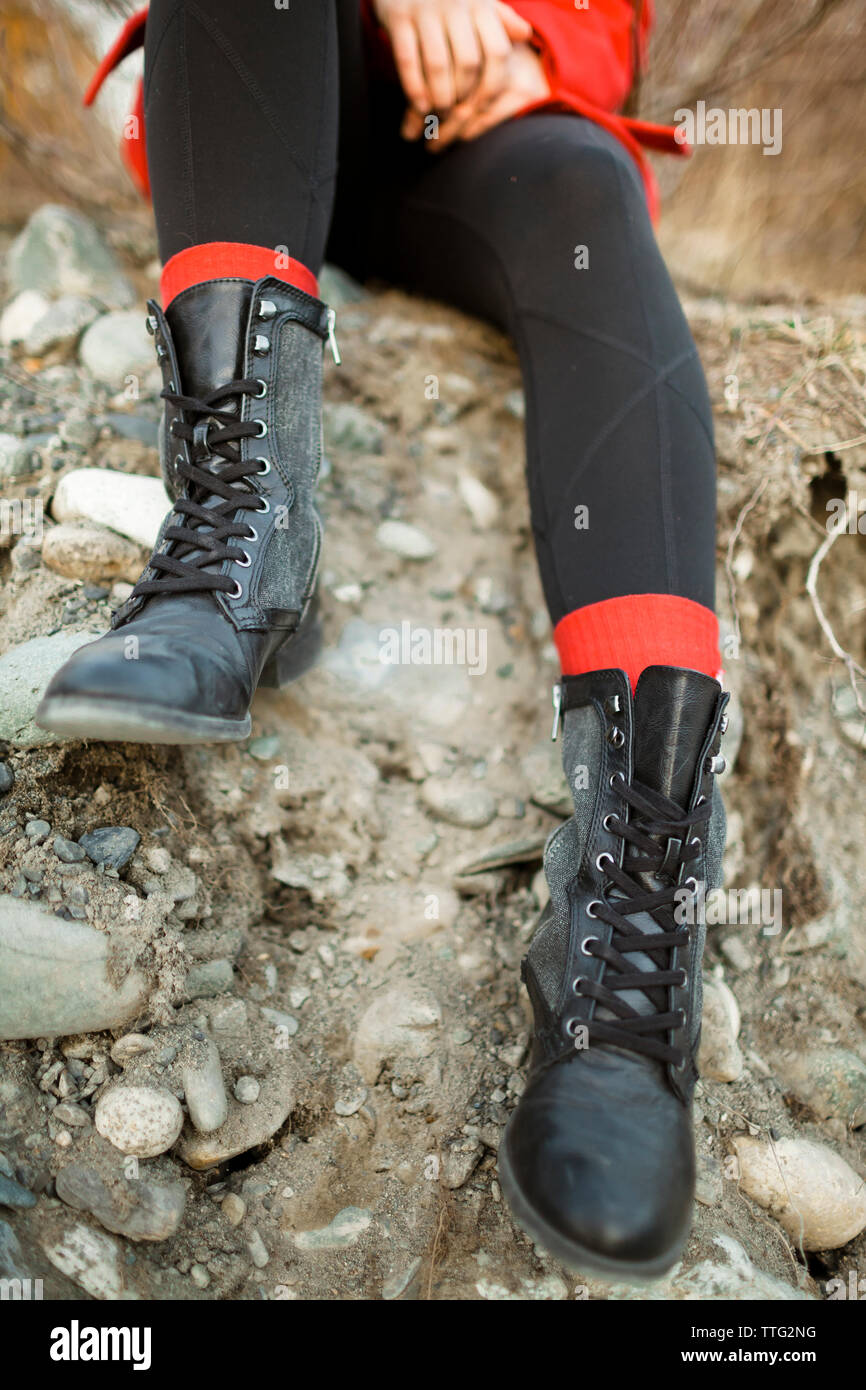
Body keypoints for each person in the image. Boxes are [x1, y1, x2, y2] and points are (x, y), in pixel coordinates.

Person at [37, 0, 730, 1279]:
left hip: (475, 140)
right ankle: (238, 550)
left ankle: (631, 926)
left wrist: (527, 38)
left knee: (585, 185)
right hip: (269, 91)